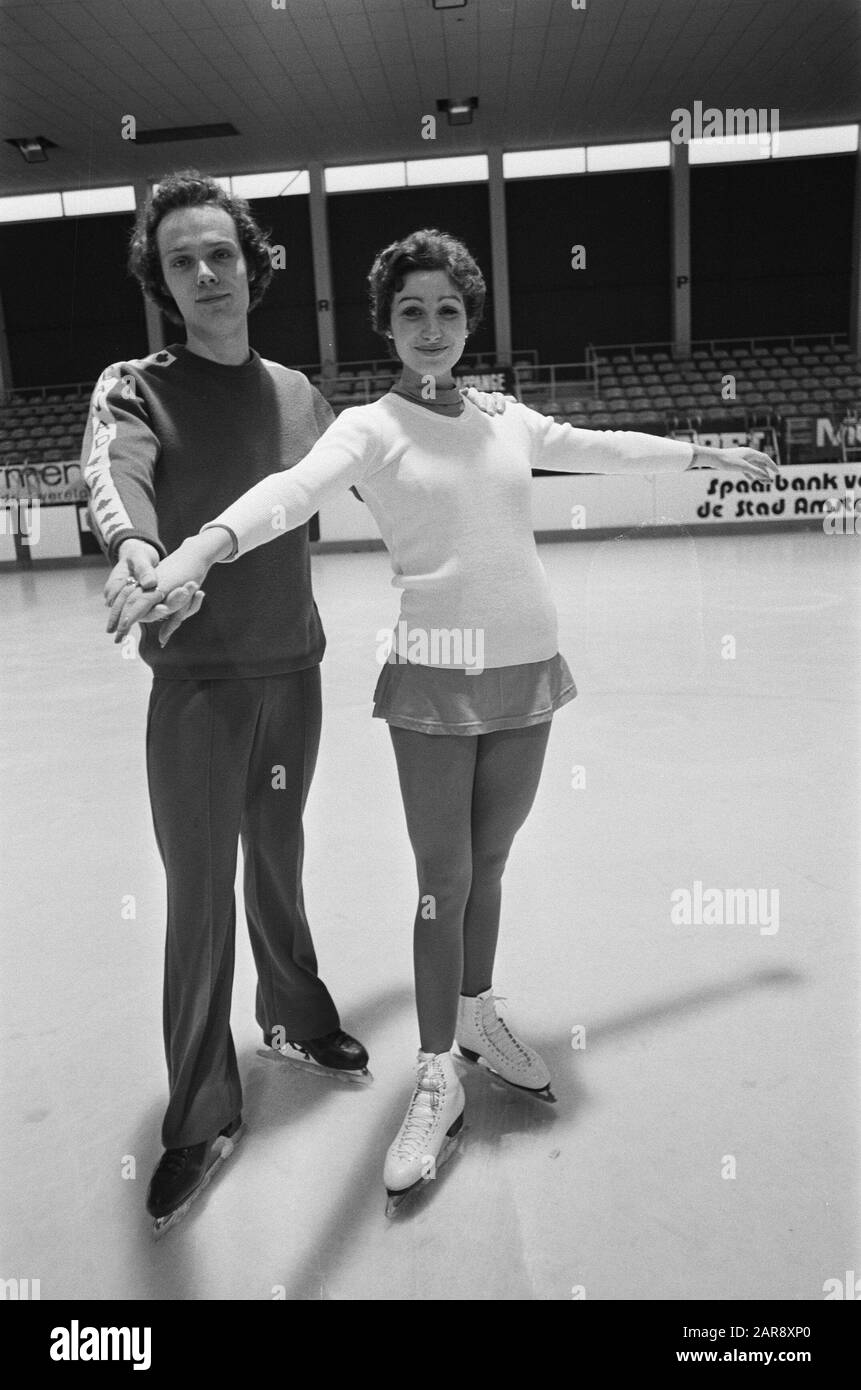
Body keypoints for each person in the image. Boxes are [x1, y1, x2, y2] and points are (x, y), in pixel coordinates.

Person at [110, 227, 779, 1215]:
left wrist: (703, 449)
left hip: (529, 674)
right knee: (445, 878)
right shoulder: (370, 428)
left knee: (493, 863)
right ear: (386, 323)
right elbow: (287, 494)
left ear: (471, 321)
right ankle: (436, 1073)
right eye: (412, 311)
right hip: (435, 681)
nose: (432, 328)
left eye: (449, 310)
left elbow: (598, 447)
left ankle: (476, 1014)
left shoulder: (506, 416)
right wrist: (199, 547)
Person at [81, 171, 386, 1235]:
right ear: (160, 280)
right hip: (201, 691)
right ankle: (203, 1110)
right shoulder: (136, 383)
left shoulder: (303, 394)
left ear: (251, 266)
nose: (205, 274)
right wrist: (137, 552)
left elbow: (380, 475)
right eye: (181, 260)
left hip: (292, 673)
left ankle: (294, 1017)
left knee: (281, 855)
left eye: (220, 254)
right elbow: (118, 479)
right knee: (200, 894)